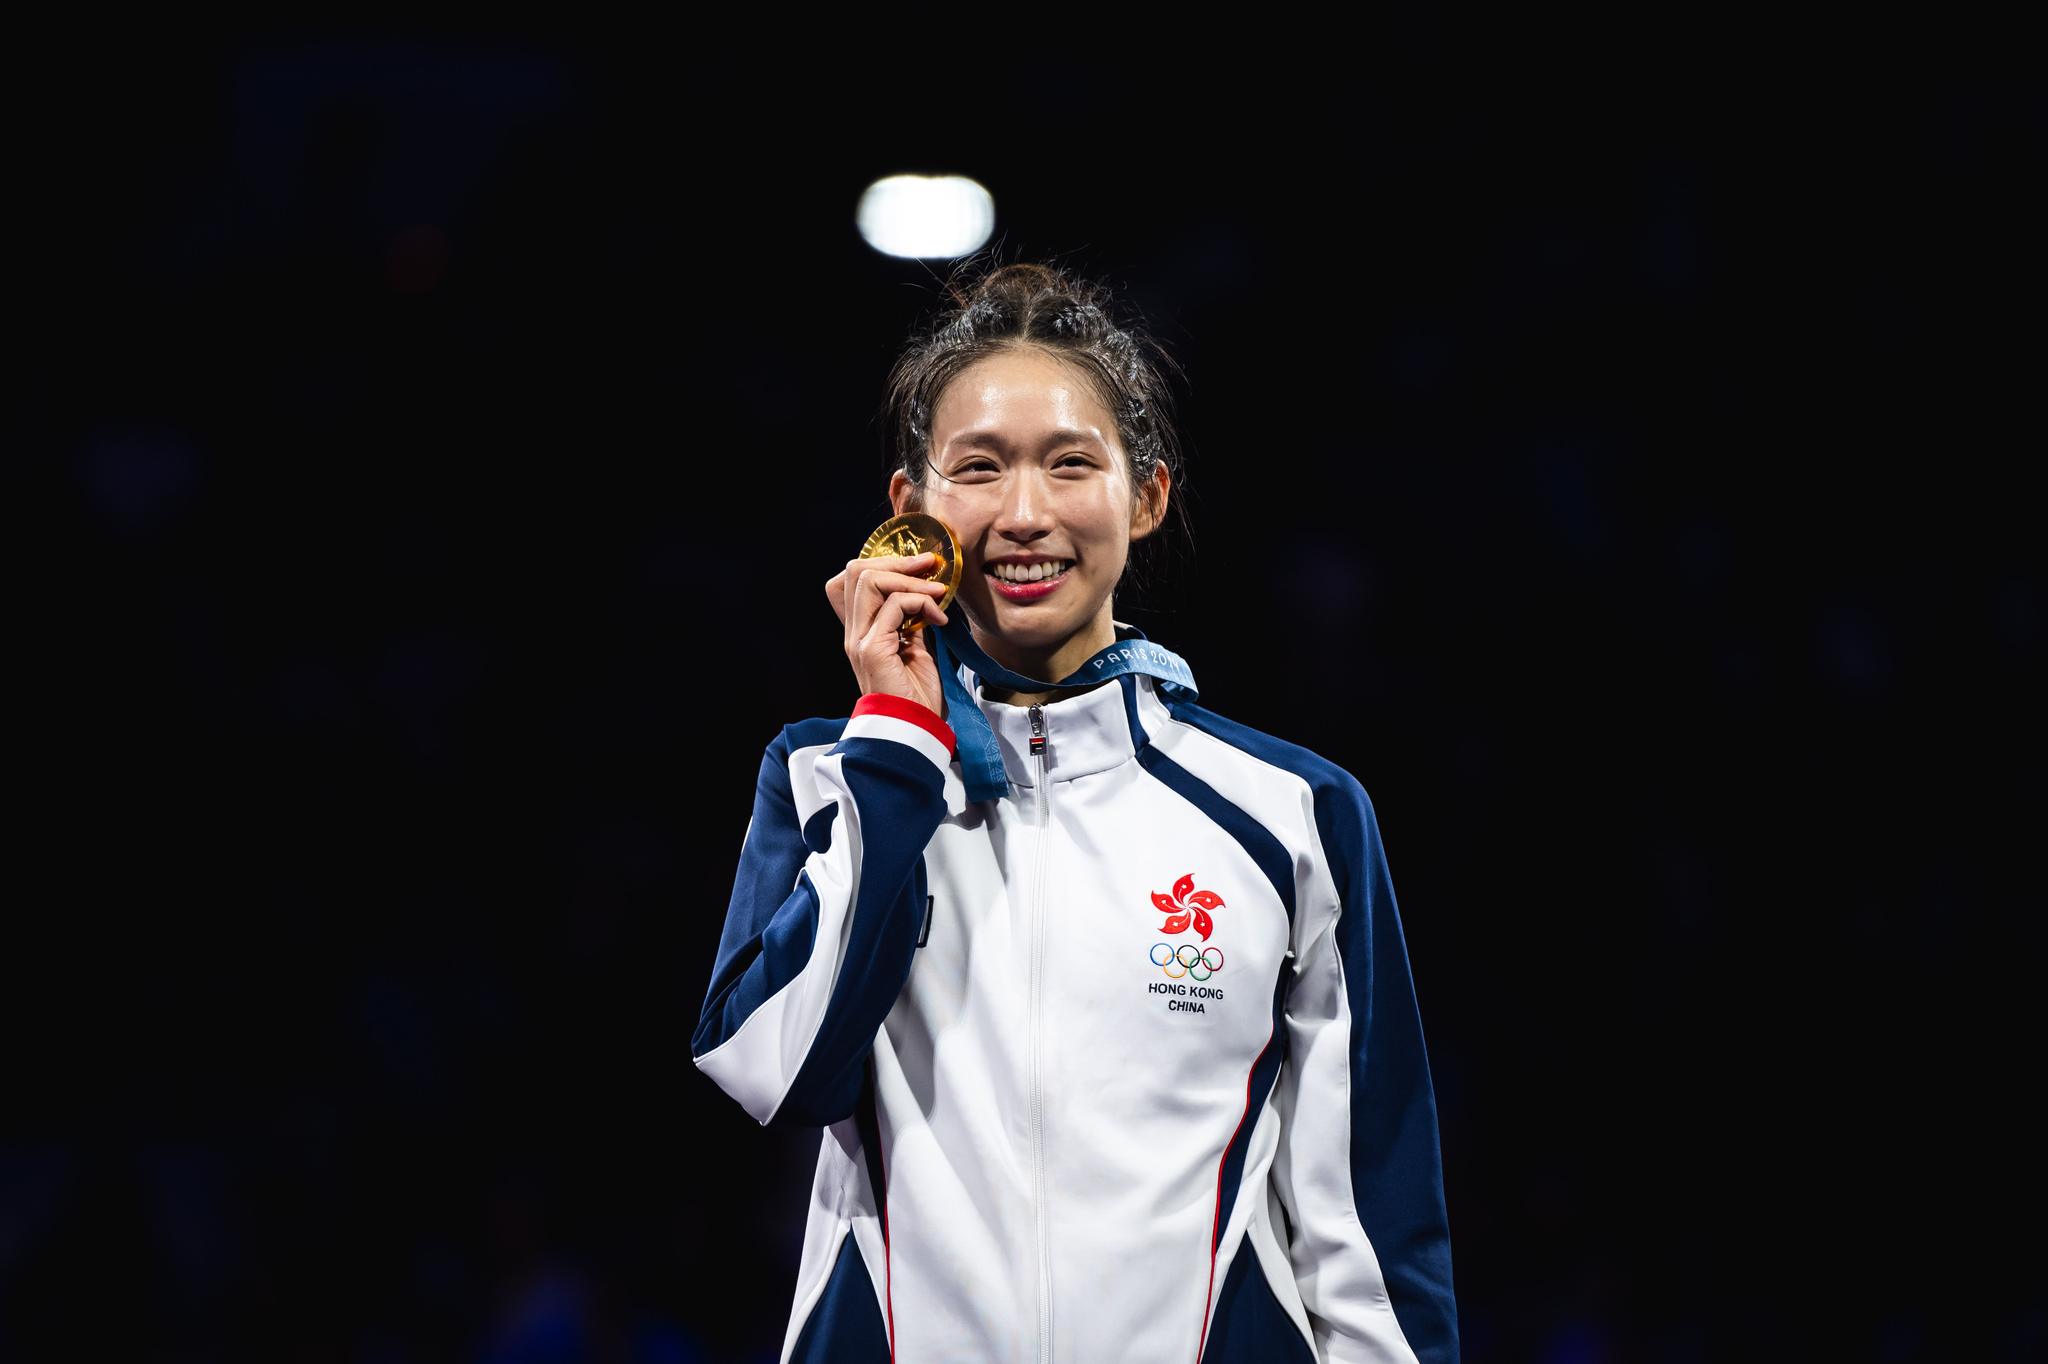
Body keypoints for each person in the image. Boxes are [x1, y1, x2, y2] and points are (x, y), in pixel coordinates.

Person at [692, 261, 1458, 1363]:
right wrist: (899, 742)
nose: (1022, 513)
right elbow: (778, 1065)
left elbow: (1369, 1232)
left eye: (1068, 464)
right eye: (978, 468)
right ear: (910, 512)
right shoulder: (831, 777)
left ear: (1144, 496)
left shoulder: (1291, 815)